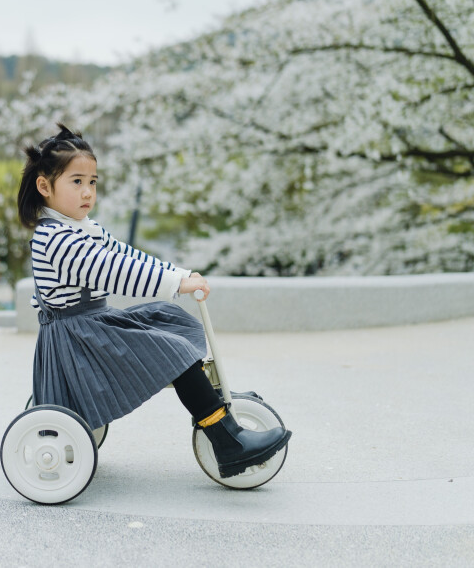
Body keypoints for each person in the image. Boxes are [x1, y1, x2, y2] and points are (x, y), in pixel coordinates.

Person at [17, 123, 291, 478]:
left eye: (93, 182)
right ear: (44, 186)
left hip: (93, 325)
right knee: (170, 351)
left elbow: (128, 255)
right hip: (78, 338)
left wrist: (180, 274)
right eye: (76, 181)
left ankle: (208, 397)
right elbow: (114, 271)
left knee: (170, 320)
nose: (87, 192)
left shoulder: (82, 228)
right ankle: (226, 440)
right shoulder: (57, 239)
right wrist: (176, 282)